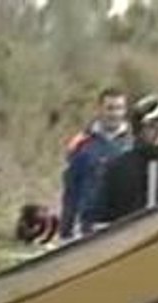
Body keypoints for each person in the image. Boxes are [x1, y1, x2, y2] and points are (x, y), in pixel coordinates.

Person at [89, 95, 158, 228]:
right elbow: (101, 216)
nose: (157, 133)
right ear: (139, 128)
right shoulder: (118, 168)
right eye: (151, 127)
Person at [59, 88, 133, 242]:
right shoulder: (82, 144)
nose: (114, 114)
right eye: (110, 108)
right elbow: (71, 189)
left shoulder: (134, 144)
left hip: (124, 225)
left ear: (125, 110)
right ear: (100, 109)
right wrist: (65, 231)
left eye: (119, 108)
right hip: (89, 226)